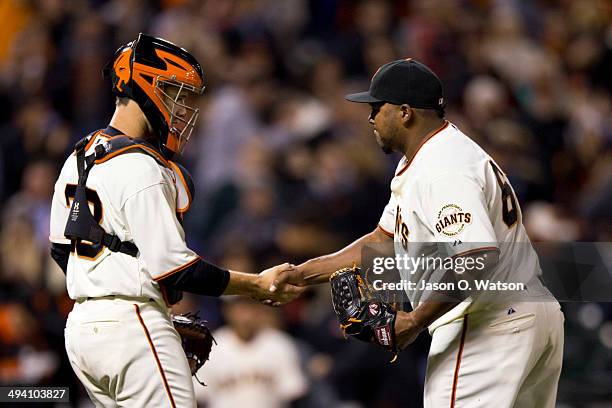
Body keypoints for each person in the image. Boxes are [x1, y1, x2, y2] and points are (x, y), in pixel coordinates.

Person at [269, 58, 564, 407]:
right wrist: (301, 274)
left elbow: (476, 257)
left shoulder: (442, 167)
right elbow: (383, 241)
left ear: (405, 112)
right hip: (527, 314)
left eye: (377, 108)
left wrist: (413, 320)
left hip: (489, 323)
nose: (370, 118)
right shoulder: (430, 157)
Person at [48, 33, 301, 407]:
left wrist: (109, 280)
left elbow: (59, 251)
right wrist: (256, 286)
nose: (182, 107)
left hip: (83, 332)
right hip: (132, 326)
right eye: (173, 92)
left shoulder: (79, 156)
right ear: (144, 86)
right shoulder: (140, 165)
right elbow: (176, 269)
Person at [194, 297, 307, 408]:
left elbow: (293, 394)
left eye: (250, 307)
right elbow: (198, 397)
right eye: (239, 308)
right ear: (227, 310)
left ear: (259, 310)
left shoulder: (279, 344)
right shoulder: (210, 347)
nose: (245, 315)